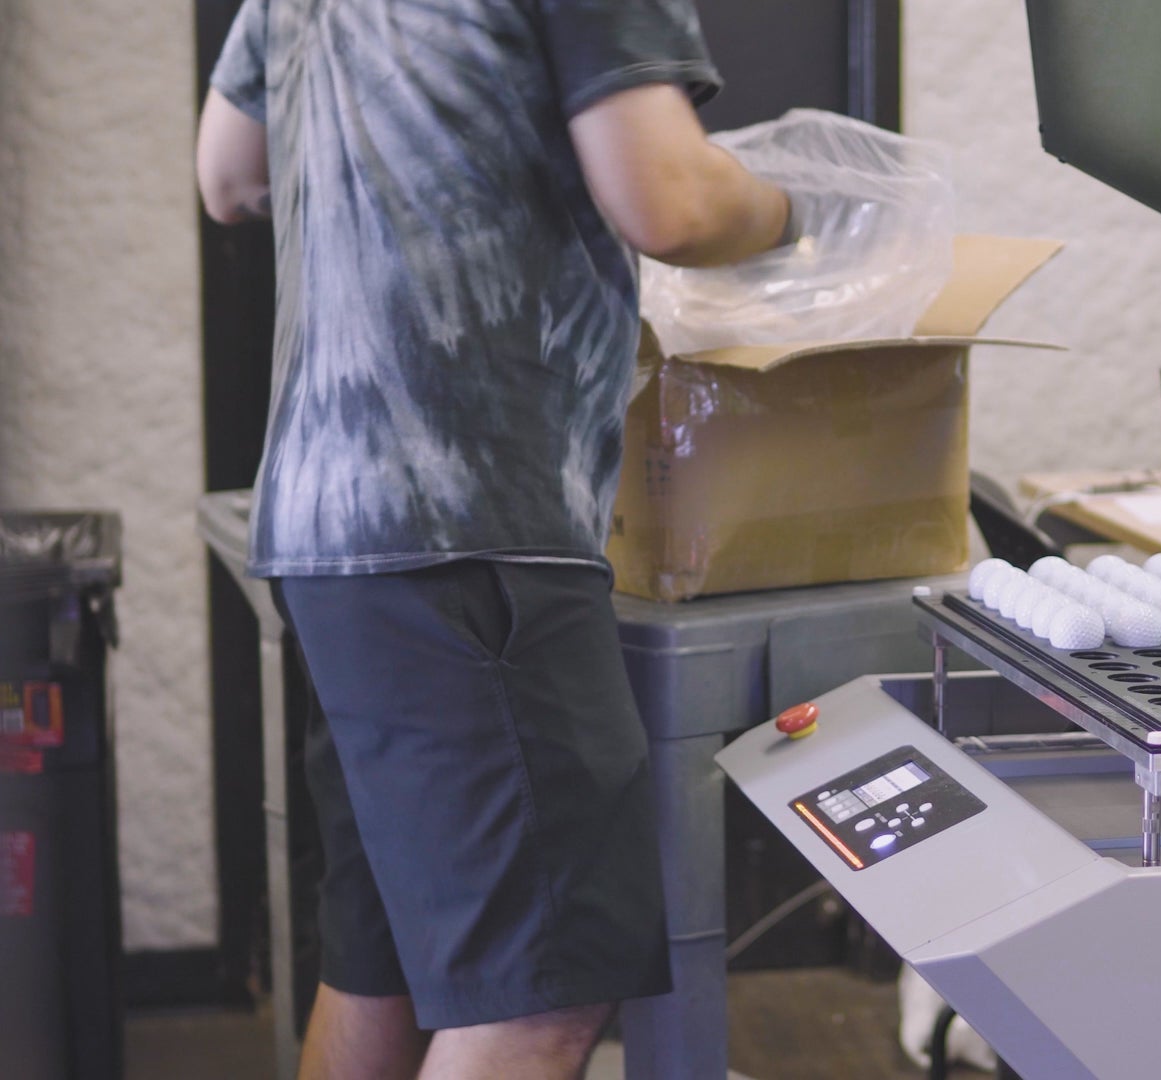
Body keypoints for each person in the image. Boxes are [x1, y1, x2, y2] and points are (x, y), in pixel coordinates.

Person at [195, 1, 793, 1076]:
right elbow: (668, 201)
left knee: (386, 966)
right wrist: (799, 211)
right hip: (467, 520)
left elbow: (227, 175)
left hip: (327, 520)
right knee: (536, 1000)